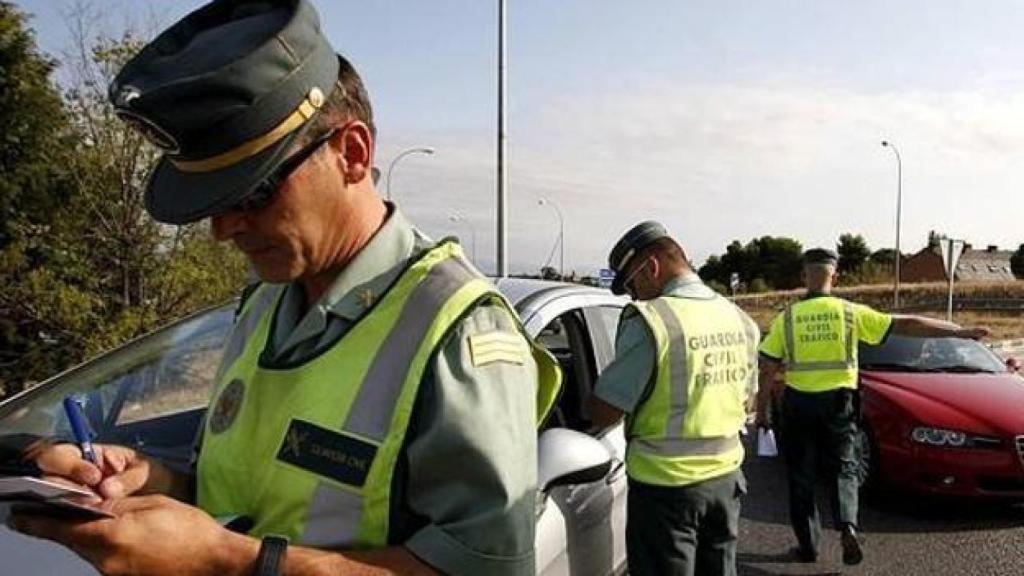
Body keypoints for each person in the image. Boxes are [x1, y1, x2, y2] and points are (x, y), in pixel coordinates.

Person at [8, 1, 560, 575]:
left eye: (253, 193)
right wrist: (152, 479)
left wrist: (226, 561)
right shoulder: (267, 299)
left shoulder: (457, 329)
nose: (225, 229)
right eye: (216, 204)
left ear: (352, 153)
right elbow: (247, 496)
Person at [756, 248, 988, 566]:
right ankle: (848, 526)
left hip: (799, 404)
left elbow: (767, 368)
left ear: (804, 276)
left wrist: (762, 412)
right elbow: (907, 324)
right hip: (839, 403)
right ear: (834, 275)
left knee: (801, 476)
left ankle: (808, 546)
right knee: (845, 467)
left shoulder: (788, 317)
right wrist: (958, 332)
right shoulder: (850, 312)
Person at [587, 221, 760, 576]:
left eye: (633, 285)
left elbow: (605, 412)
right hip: (726, 483)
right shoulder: (740, 319)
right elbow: (749, 404)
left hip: (666, 491)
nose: (635, 296)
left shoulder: (653, 320)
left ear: (651, 267)